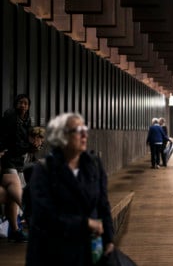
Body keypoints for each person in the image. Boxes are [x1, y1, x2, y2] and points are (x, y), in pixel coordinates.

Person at [25, 113, 115, 266]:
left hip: (91, 248)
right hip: (54, 251)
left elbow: (103, 205)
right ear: (62, 136)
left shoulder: (93, 164)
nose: (84, 134)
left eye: (84, 128)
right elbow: (44, 215)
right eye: (77, 130)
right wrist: (85, 224)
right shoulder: (45, 170)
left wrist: (109, 239)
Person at [0, 94, 39, 242]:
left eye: (26, 104)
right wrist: (28, 147)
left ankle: (15, 231)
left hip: (17, 162)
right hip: (8, 160)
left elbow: (24, 144)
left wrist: (34, 146)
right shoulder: (11, 118)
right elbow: (13, 145)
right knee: (19, 195)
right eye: (20, 103)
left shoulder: (26, 121)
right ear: (16, 104)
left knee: (12, 196)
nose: (23, 105)